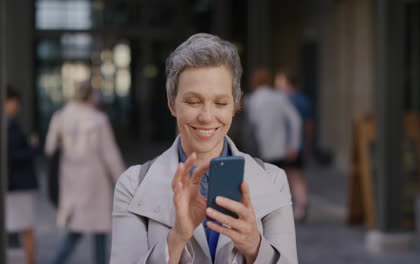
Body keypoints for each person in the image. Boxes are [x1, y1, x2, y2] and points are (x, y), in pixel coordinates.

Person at [110, 33, 298, 264]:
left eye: (220, 103)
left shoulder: (274, 179)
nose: (207, 117)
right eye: (193, 102)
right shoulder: (132, 185)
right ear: (172, 104)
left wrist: (255, 248)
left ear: (235, 105)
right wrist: (177, 238)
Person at [45, 81, 125, 264]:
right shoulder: (98, 119)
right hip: (95, 180)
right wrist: (121, 179)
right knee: (99, 230)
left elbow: (50, 148)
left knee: (75, 228)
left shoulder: (60, 116)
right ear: (90, 96)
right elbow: (109, 153)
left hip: (70, 178)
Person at [275, 69, 314, 222]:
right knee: (297, 175)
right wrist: (308, 143)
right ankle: (301, 204)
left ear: (286, 81)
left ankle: (289, 207)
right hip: (300, 143)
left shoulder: (283, 100)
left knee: (287, 176)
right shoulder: (304, 99)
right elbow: (310, 125)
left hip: (287, 145)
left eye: (279, 80)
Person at [5, 87, 39, 264]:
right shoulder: (9, 124)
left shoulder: (6, 123)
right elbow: (15, 155)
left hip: (13, 185)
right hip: (19, 185)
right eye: (15, 102)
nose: (17, 106)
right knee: (27, 229)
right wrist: (32, 148)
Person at [245, 68, 302, 171]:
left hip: (259, 149)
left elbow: (252, 124)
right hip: (280, 149)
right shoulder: (280, 97)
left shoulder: (251, 100)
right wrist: (294, 145)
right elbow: (296, 120)